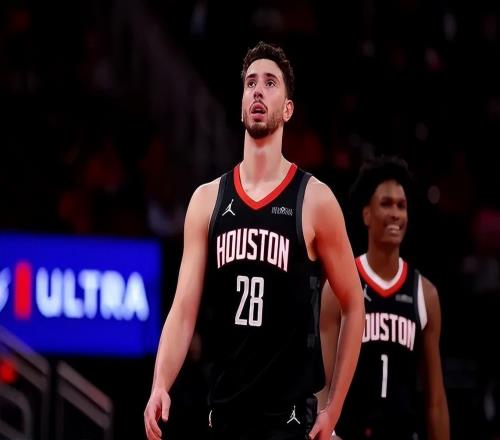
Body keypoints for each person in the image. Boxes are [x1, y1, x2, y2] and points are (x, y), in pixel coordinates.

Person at [143, 41, 365, 440]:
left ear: (288, 109)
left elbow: (354, 304)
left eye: (270, 83)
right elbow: (183, 309)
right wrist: (160, 383)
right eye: (250, 83)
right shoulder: (207, 200)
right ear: (242, 104)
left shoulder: (315, 200)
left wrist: (333, 408)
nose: (258, 90)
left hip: (290, 422)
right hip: (226, 414)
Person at [318, 156, 450, 439]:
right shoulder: (339, 286)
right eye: (386, 204)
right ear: (367, 215)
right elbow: (322, 383)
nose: (395, 213)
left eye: (401, 206)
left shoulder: (425, 294)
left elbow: (436, 401)